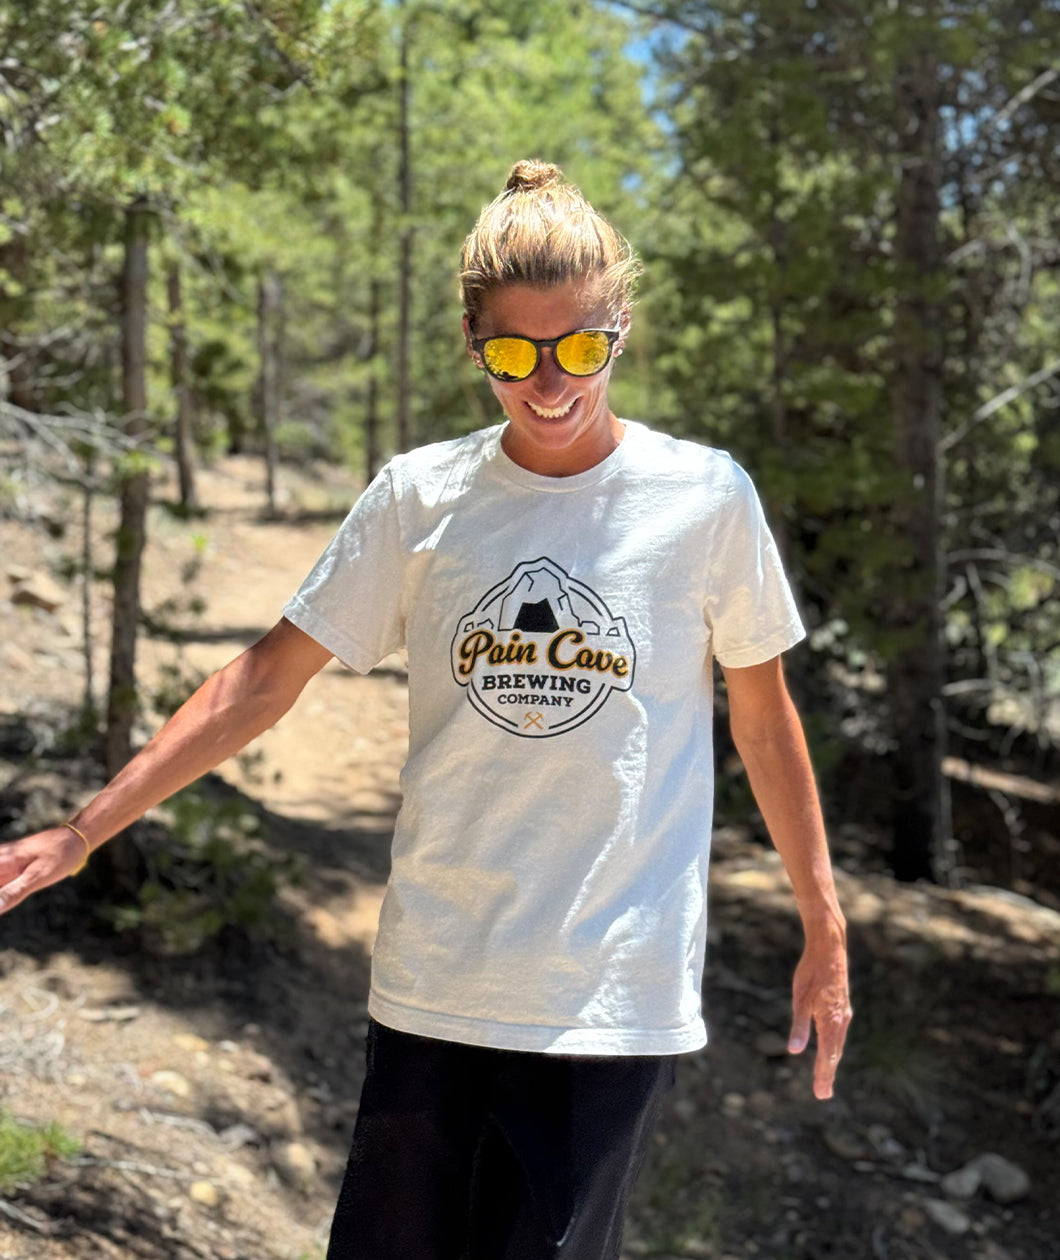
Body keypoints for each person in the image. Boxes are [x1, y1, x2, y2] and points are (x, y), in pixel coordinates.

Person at [0, 160, 851, 1259]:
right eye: (512, 354)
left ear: (621, 330)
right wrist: (84, 829)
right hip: (432, 989)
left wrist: (822, 924)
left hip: (605, 999)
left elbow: (762, 722)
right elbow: (263, 679)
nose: (548, 383)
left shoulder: (701, 498)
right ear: (473, 345)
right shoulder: (421, 497)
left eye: (579, 349)